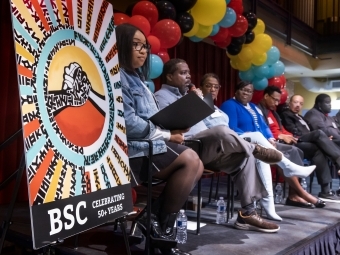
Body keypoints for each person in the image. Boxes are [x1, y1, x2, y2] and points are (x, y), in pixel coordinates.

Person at [155, 59, 313, 232]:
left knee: (244, 156)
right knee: (222, 131)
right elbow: (169, 125)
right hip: (187, 148)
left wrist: (201, 104)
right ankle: (258, 150)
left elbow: (207, 122)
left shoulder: (189, 95)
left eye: (189, 73)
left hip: (208, 148)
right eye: (183, 73)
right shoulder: (161, 97)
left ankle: (247, 214)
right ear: (169, 76)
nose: (188, 76)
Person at [116, 23, 203, 255]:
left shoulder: (140, 81)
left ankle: (156, 226)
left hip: (148, 145)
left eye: (145, 46)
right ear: (122, 45)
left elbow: (151, 120)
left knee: (197, 164)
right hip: (130, 152)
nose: (143, 51)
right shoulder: (118, 77)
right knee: (192, 160)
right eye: (136, 45)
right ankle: (158, 228)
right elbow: (129, 123)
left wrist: (175, 125)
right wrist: (167, 134)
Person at [279, 94, 340, 199]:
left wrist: (325, 140)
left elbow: (311, 131)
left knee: (319, 150)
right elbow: (293, 129)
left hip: (308, 141)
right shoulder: (286, 114)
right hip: (297, 139)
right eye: (295, 102)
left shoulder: (301, 117)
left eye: (301, 104)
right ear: (290, 103)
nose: (298, 105)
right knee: (319, 134)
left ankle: (325, 190)